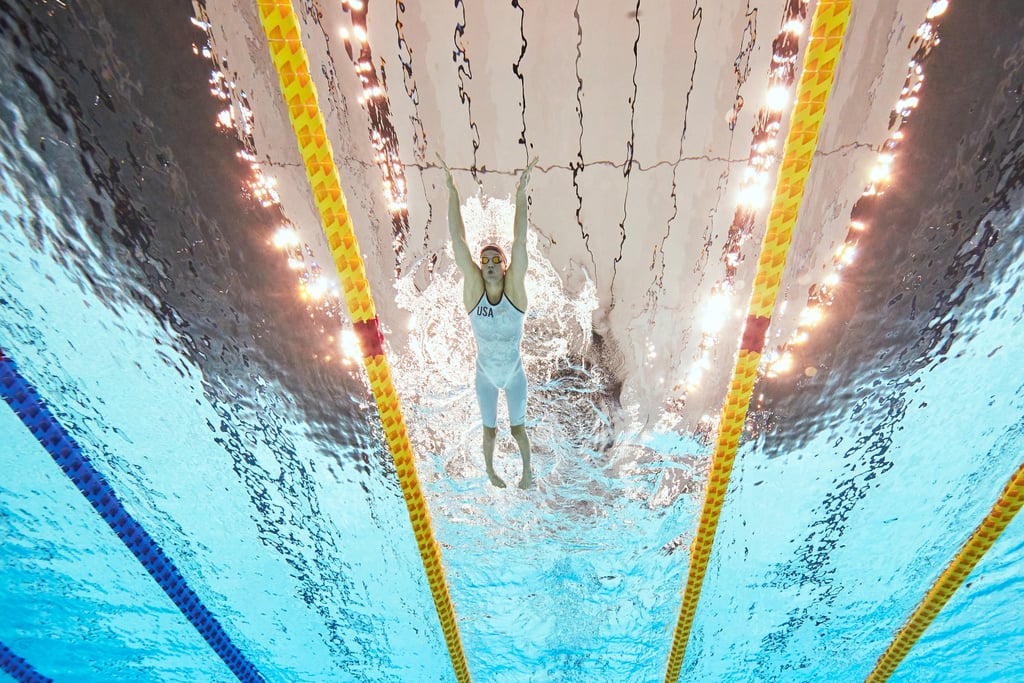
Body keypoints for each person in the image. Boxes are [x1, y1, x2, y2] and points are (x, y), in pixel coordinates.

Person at [439, 155, 538, 489]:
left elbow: (520, 241)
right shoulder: (473, 292)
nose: (491, 263)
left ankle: (527, 471)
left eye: (497, 259)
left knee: (518, 429)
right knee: (489, 430)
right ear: (480, 268)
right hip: (483, 373)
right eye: (486, 260)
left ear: (506, 266)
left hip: (513, 374)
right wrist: (452, 190)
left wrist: (521, 192)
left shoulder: (515, 292)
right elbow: (458, 242)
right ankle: (491, 471)